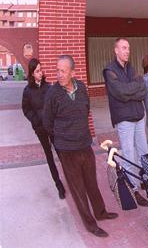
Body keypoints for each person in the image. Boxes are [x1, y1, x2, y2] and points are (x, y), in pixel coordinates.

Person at [43, 55, 118, 237]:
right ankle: (91, 225)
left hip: (84, 144)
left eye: (63, 70)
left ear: (73, 72)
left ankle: (100, 213)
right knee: (78, 189)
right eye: (57, 70)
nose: (59, 74)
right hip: (66, 150)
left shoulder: (83, 88)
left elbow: (86, 111)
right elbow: (47, 123)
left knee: (92, 182)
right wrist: (63, 137)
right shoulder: (53, 93)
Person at [102, 38, 148, 206]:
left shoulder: (131, 68)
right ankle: (134, 190)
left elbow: (143, 89)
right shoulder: (110, 70)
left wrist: (130, 91)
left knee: (143, 152)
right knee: (129, 155)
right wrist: (132, 90)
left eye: (128, 48)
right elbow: (120, 92)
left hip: (138, 116)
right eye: (123, 48)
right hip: (124, 120)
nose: (127, 51)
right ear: (116, 50)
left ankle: (146, 181)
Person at [22, 58, 66, 199]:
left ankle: (70, 180)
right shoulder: (27, 91)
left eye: (41, 70)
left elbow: (55, 105)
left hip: (52, 127)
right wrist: (35, 121)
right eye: (37, 71)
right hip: (40, 129)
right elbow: (26, 109)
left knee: (60, 152)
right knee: (49, 156)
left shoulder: (49, 87)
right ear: (32, 73)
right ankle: (58, 185)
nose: (41, 73)